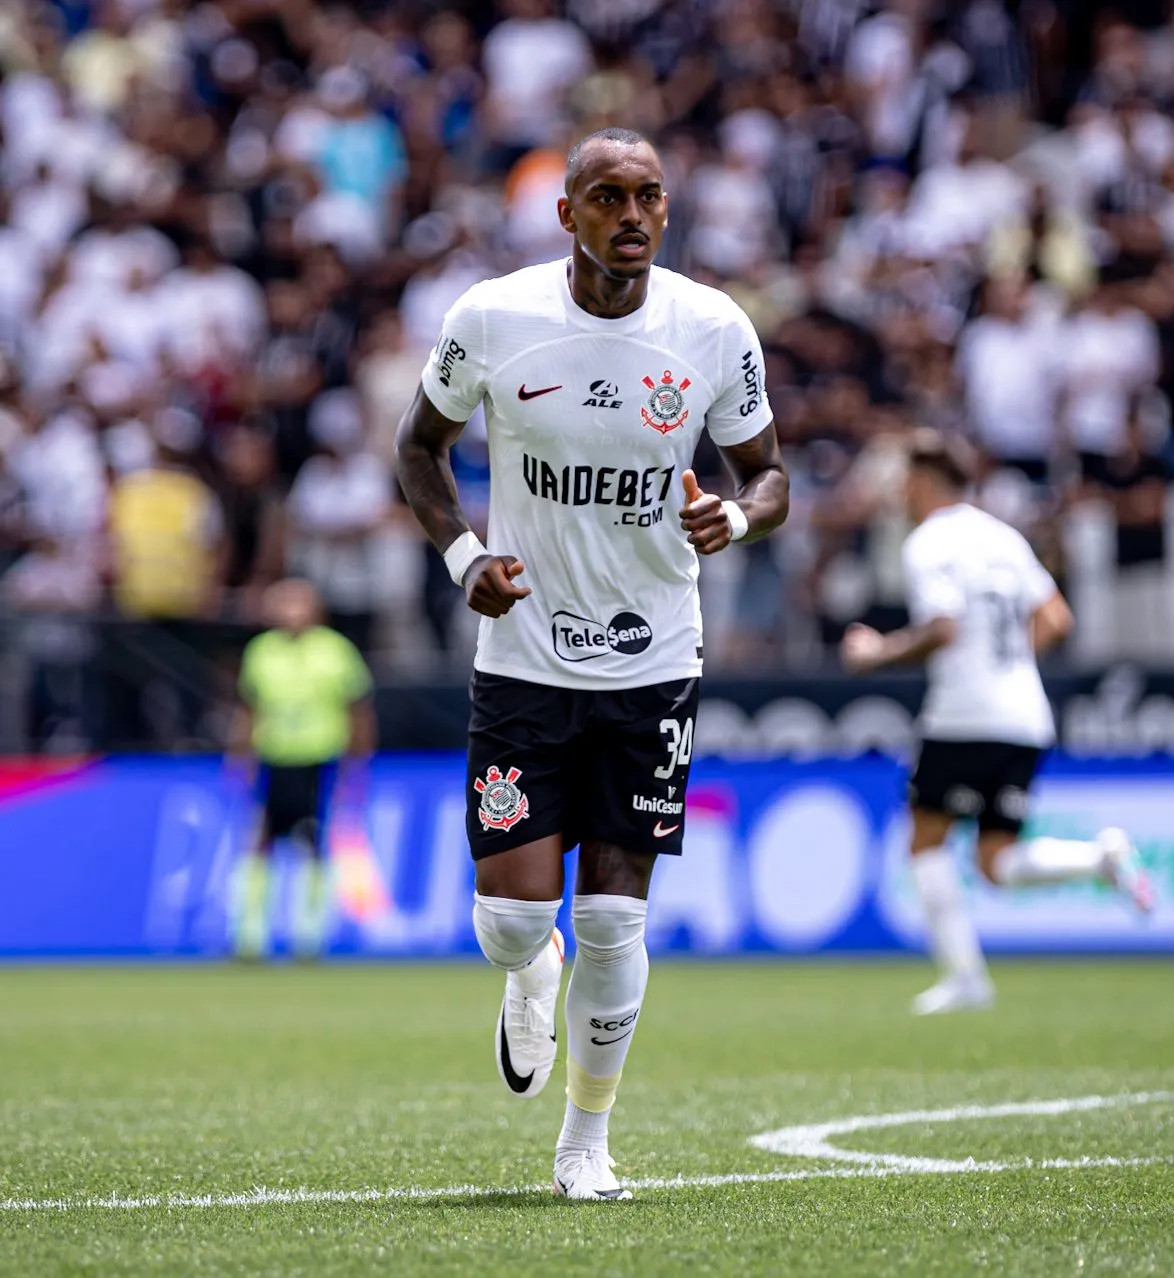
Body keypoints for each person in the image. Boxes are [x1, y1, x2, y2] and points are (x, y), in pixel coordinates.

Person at [392, 127, 789, 1201]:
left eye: (649, 197)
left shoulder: (711, 329)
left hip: (653, 660)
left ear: (666, 213)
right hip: (522, 658)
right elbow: (417, 446)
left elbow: (769, 478)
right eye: (607, 196)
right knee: (516, 921)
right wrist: (463, 554)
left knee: (616, 917)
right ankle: (530, 968)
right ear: (565, 214)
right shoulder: (492, 318)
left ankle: (584, 1146)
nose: (631, 215)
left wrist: (737, 525)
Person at [841, 431, 1153, 1017]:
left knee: (926, 840)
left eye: (905, 481)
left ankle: (964, 978)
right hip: (1024, 713)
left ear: (924, 481)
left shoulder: (928, 542)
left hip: (963, 714)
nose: (900, 494)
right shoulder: (1003, 536)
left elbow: (943, 629)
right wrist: (1007, 665)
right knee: (997, 861)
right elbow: (1057, 618)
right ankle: (1100, 859)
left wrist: (875, 653)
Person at [229, 578, 376, 961]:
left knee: (313, 844)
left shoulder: (336, 652)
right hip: (273, 758)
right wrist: (240, 755)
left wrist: (355, 764)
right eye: (283, 604)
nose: (291, 612)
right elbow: (249, 709)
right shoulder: (260, 652)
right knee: (260, 842)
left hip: (318, 759)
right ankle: (250, 936)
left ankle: (309, 937)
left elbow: (358, 711)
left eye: (298, 603)